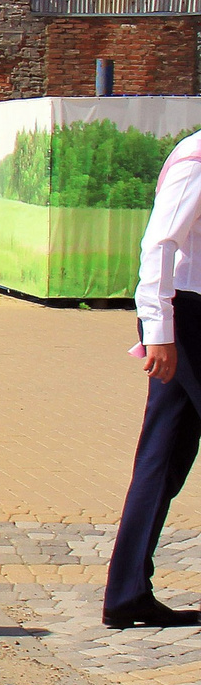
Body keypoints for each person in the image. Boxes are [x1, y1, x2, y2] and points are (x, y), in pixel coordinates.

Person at [105, 127, 201, 628]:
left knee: (164, 457)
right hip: (187, 317)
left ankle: (126, 593)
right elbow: (159, 243)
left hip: (187, 316)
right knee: (162, 456)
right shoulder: (198, 155)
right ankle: (125, 591)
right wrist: (160, 330)